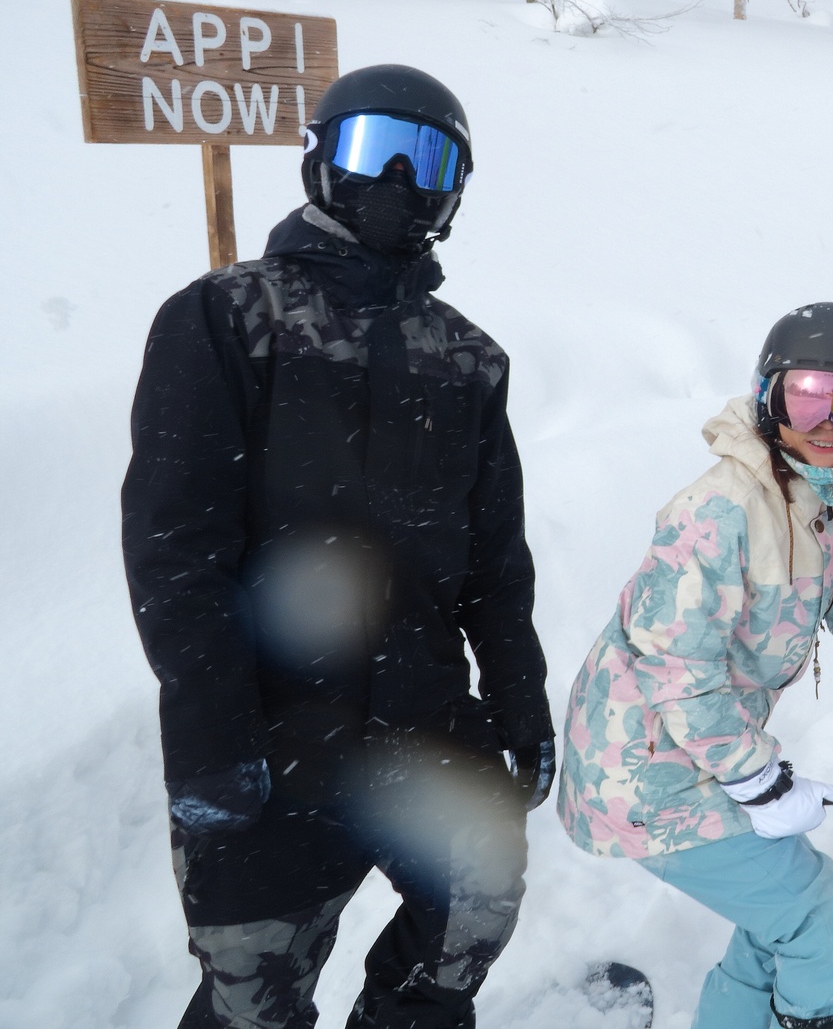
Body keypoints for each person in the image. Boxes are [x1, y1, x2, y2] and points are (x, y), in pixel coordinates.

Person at [122, 64, 553, 1029]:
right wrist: (211, 738)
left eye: (426, 159)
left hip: (422, 721)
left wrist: (519, 699)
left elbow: (496, 562)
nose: (396, 178)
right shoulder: (229, 317)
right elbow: (175, 549)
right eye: (372, 148)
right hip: (271, 736)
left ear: (454, 191)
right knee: (253, 990)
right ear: (320, 159)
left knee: (472, 914)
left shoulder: (468, 358)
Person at [556, 302, 833, 1029]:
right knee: (823, 927)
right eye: (807, 395)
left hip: (698, 750)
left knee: (785, 915)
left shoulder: (831, 499)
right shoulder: (718, 511)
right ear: (768, 397)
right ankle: (831, 996)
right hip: (645, 770)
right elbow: (677, 672)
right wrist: (760, 782)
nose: (829, 421)